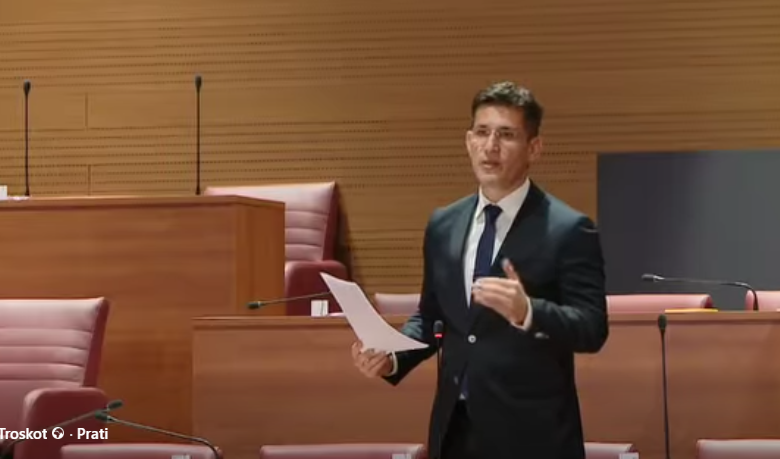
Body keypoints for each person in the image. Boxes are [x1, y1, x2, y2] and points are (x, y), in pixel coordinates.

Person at [351, 81, 609, 459]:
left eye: (506, 135)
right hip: (455, 432)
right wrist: (392, 357)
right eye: (482, 132)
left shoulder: (568, 229)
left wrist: (529, 311)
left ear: (534, 148)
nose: (491, 146)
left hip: (533, 436)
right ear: (468, 141)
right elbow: (432, 316)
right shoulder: (444, 224)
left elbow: (592, 328)